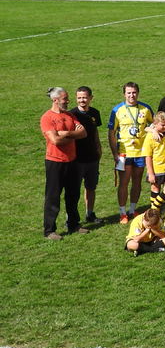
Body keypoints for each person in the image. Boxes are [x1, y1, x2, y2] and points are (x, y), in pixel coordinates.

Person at [41, 86, 88, 240]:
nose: (68, 101)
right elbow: (55, 140)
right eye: (65, 99)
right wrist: (73, 135)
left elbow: (83, 133)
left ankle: (73, 224)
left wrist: (66, 133)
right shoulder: (47, 118)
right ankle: (49, 230)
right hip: (55, 162)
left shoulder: (69, 115)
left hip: (72, 161)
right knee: (53, 196)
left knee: (73, 194)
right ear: (55, 100)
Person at [108, 82, 154, 223]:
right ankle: (122, 212)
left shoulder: (145, 108)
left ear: (138, 93)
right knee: (124, 182)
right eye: (129, 93)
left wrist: (150, 130)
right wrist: (115, 154)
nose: (131, 95)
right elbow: (111, 133)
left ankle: (133, 209)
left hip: (140, 153)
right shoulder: (117, 110)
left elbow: (154, 124)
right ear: (124, 94)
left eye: (134, 92)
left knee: (137, 182)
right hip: (124, 153)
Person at [71, 86, 102, 224]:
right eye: (79, 98)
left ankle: (90, 213)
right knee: (74, 190)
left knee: (91, 187)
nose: (82, 100)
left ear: (90, 98)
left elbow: (95, 132)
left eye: (84, 97)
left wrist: (99, 148)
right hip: (77, 158)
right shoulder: (71, 115)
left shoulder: (95, 113)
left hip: (92, 157)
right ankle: (71, 218)